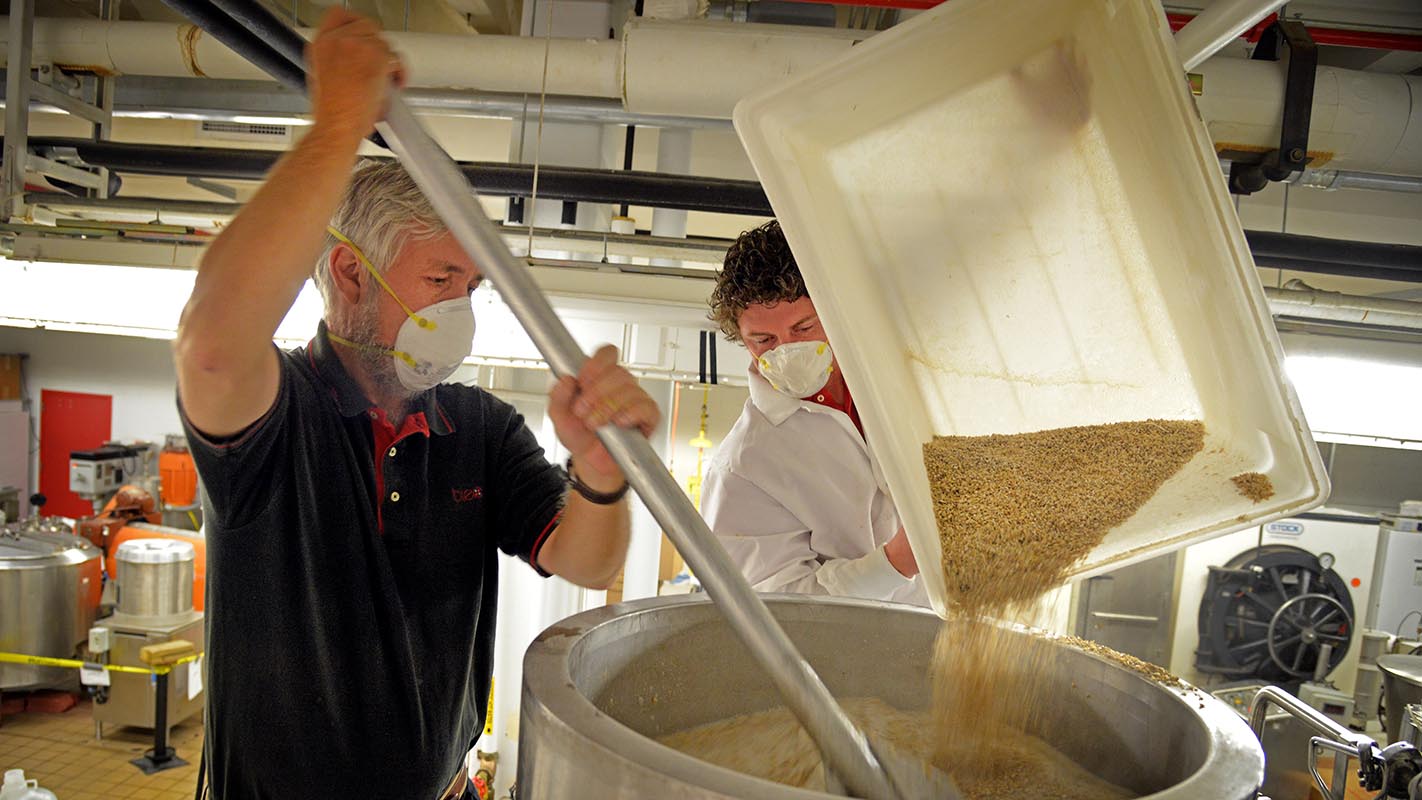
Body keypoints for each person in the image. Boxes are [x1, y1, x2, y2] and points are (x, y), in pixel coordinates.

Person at [171, 10, 659, 798]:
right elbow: (214, 346)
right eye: (438, 283)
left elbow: (590, 559)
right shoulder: (276, 421)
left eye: (470, 289)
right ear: (352, 274)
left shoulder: (477, 428)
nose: (458, 312)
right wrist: (338, 126)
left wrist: (600, 474)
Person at [700, 220, 926, 606]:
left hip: (959, 630)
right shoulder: (742, 467)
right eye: (763, 339)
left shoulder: (904, 385)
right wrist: (899, 561)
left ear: (834, 313)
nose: (786, 349)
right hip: (857, 656)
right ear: (742, 339)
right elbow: (781, 607)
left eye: (803, 327)